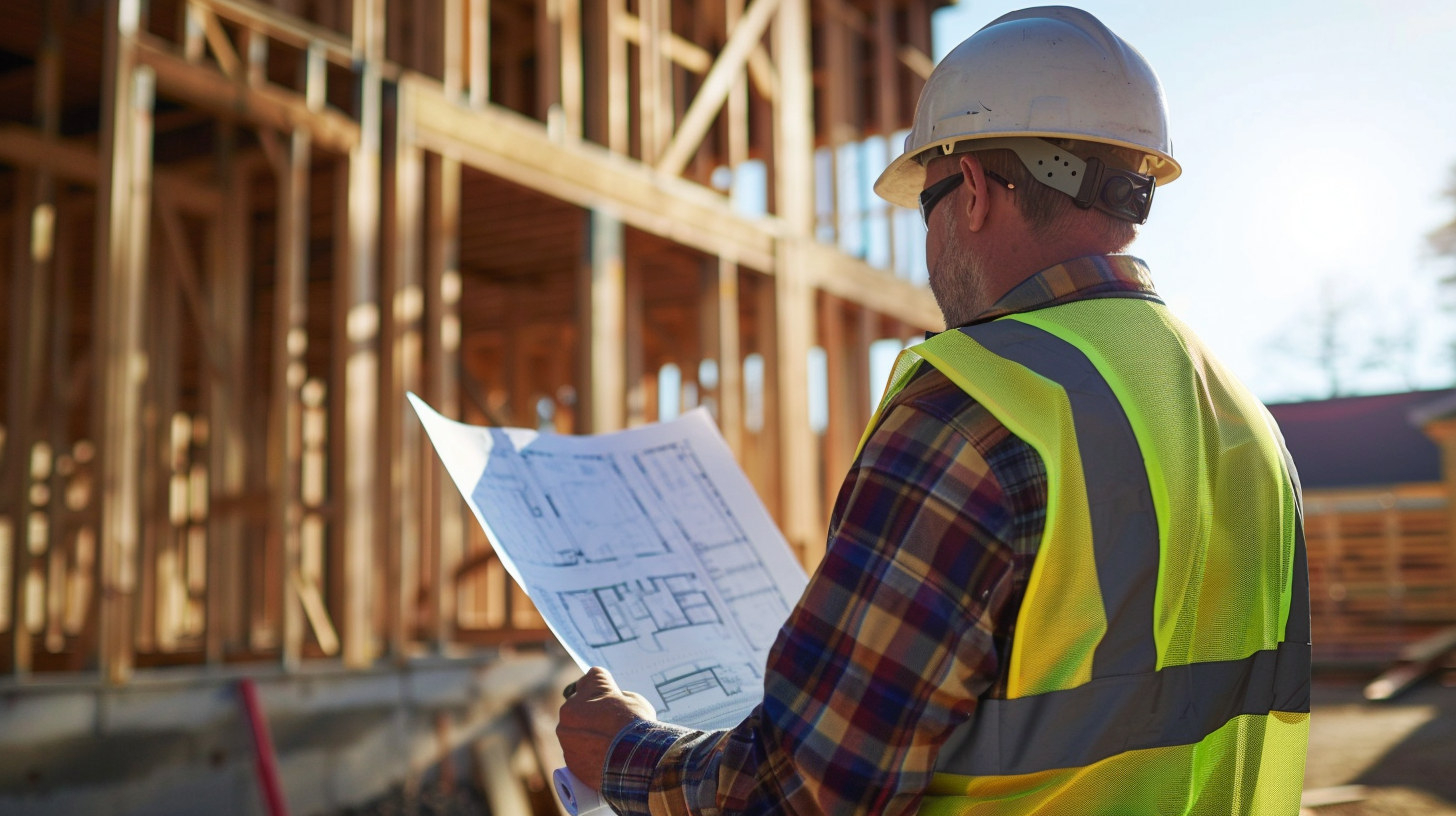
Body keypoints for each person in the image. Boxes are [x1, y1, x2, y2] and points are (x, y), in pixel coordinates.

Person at [558, 6, 1311, 815]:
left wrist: (622, 754)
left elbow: (802, 792)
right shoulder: (1246, 425)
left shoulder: (978, 409)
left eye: (927, 202)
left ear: (976, 190)